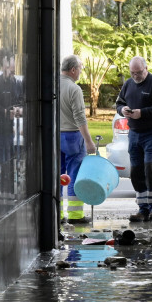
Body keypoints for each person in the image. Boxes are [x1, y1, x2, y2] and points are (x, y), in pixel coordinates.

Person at [115, 56, 152, 222]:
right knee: (137, 171)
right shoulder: (128, 84)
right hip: (134, 133)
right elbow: (119, 103)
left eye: (139, 72)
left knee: (151, 169)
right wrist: (123, 109)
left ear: (146, 69)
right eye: (133, 73)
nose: (136, 76)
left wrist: (143, 113)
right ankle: (142, 208)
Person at [59, 55, 96, 224]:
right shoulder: (74, 89)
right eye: (80, 68)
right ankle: (75, 215)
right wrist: (88, 141)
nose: (80, 72)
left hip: (55, 136)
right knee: (74, 174)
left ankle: (56, 215)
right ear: (73, 69)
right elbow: (80, 117)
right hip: (73, 136)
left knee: (57, 175)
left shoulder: (53, 85)